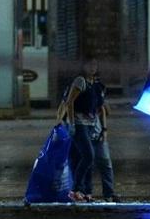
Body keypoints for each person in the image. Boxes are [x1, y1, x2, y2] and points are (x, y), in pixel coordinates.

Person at [56, 72, 121, 203]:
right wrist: (63, 124)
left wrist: (104, 129)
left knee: (101, 161)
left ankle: (105, 193)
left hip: (95, 130)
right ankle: (84, 192)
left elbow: (103, 110)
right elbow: (64, 106)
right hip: (81, 129)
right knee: (85, 161)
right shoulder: (76, 87)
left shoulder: (98, 88)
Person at [63, 56, 102, 202]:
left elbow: (97, 106)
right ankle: (75, 189)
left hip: (90, 126)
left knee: (81, 158)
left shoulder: (94, 83)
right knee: (88, 156)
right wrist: (72, 123)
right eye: (89, 64)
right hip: (79, 125)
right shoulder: (80, 81)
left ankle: (85, 191)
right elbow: (69, 102)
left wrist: (99, 125)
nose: (93, 67)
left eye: (95, 64)